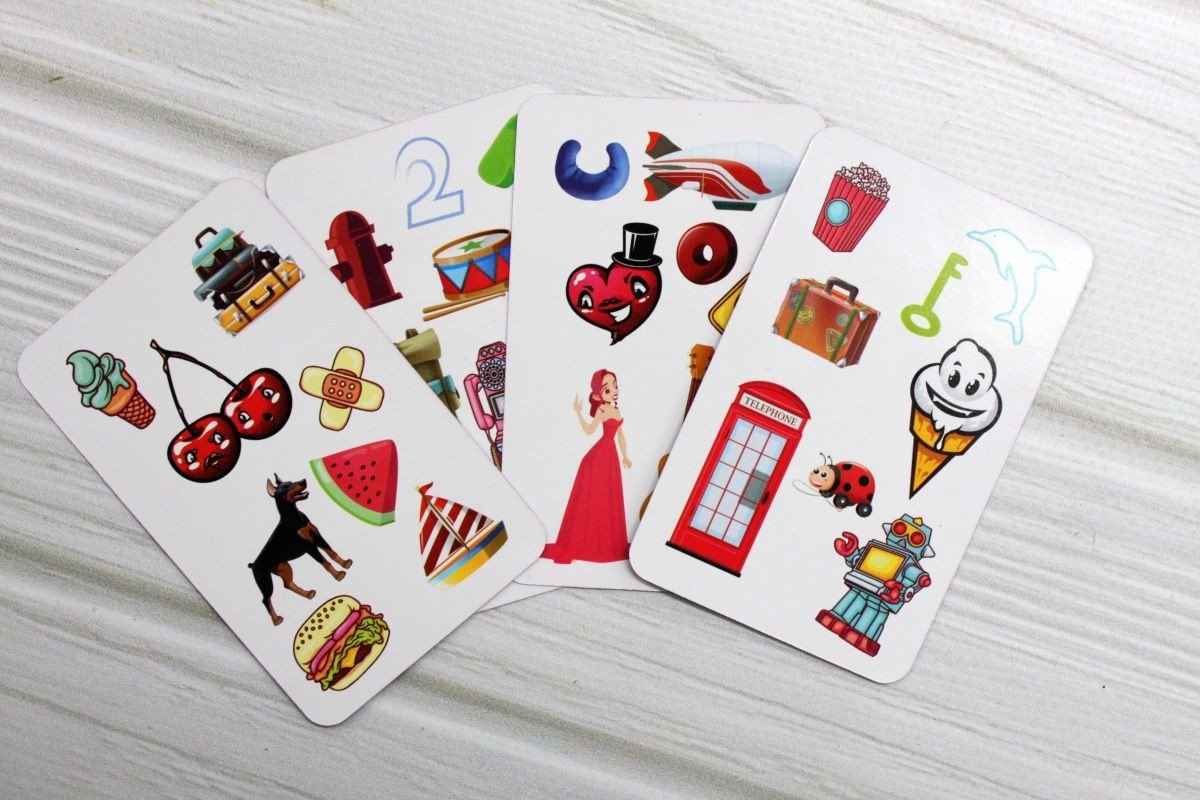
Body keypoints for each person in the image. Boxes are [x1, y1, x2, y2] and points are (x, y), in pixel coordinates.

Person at [542, 369, 632, 563]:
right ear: (598, 395)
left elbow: (621, 436)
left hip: (611, 457)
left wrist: (625, 456)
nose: (614, 390)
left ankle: (606, 540)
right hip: (598, 457)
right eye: (608, 389)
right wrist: (578, 413)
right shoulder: (602, 410)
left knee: (607, 495)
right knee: (595, 496)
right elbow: (590, 430)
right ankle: (589, 540)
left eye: (615, 386)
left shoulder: (616, 411)